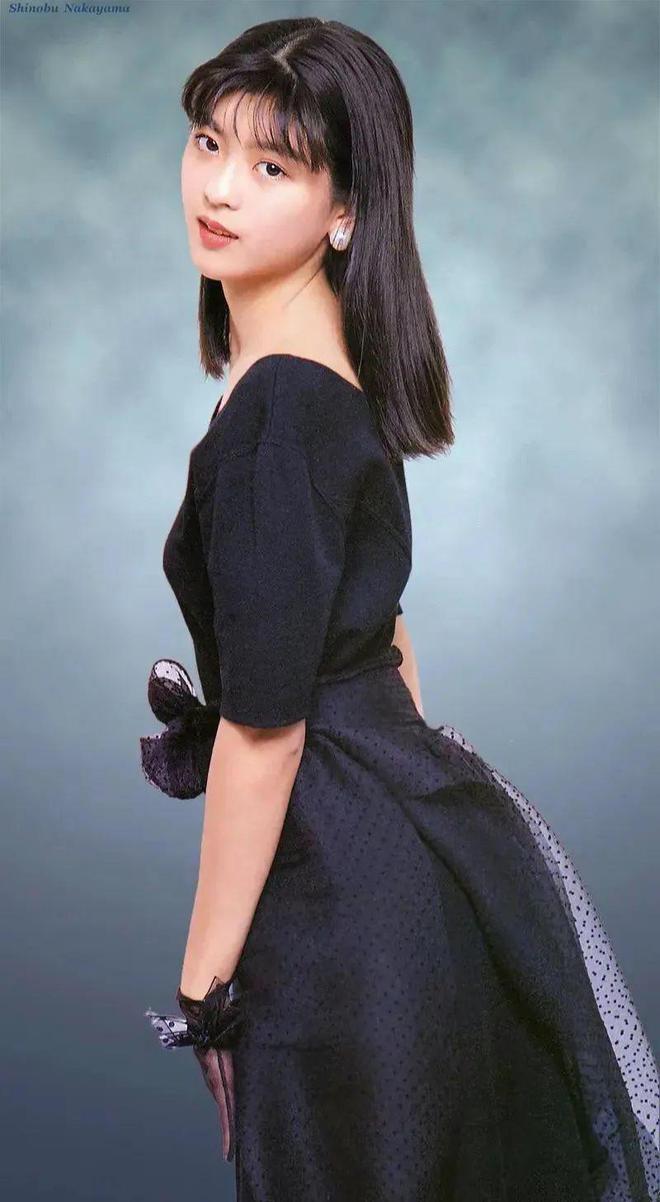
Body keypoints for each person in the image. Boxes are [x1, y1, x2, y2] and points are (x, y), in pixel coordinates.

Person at [140, 16, 660, 1202]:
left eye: (273, 165)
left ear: (345, 210)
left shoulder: (278, 406)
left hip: (343, 903)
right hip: (403, 852)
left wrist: (202, 989)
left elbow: (264, 731)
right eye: (208, 141)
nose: (219, 188)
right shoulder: (331, 370)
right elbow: (387, 637)